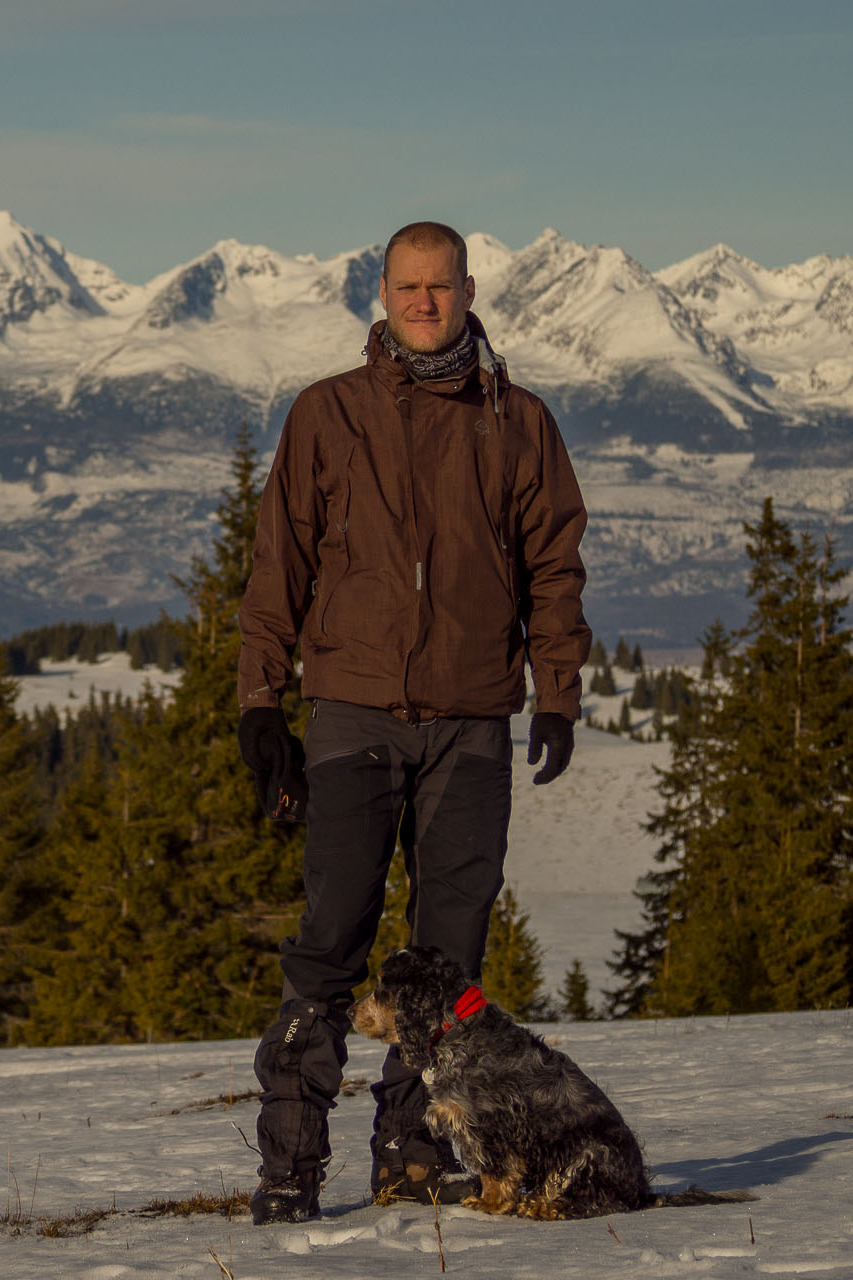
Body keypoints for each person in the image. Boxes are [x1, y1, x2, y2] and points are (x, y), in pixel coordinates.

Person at [235, 220, 590, 1225]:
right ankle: (289, 1165)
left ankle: (416, 1151)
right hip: (351, 714)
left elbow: (554, 567)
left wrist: (556, 691)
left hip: (471, 720)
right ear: (380, 292)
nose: (425, 302)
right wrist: (261, 705)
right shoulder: (326, 414)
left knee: (450, 954)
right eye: (408, 285)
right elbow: (277, 570)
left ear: (469, 290)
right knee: (330, 940)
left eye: (441, 286)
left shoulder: (519, 421)